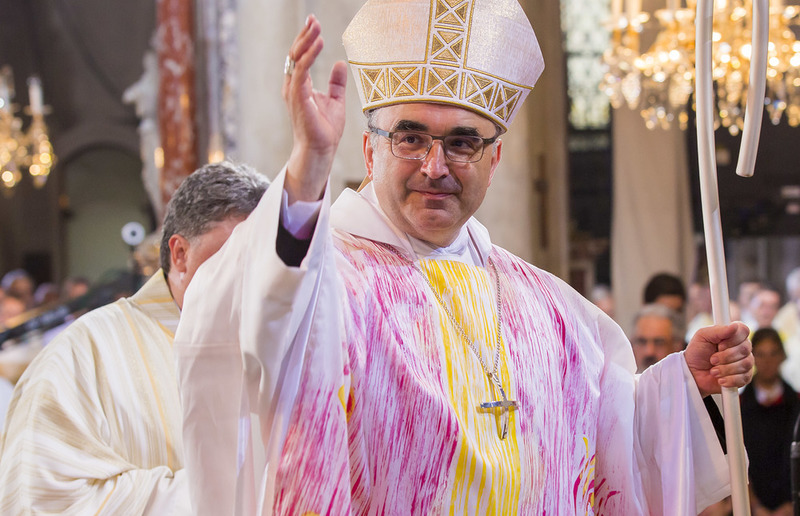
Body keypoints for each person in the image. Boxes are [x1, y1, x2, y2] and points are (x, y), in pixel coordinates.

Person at [175, 2, 754, 514]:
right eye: (409, 137)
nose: (436, 166)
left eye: (462, 141)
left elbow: (611, 438)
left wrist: (683, 382)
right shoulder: (325, 281)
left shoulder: (547, 305)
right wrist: (309, 166)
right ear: (368, 150)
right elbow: (250, 330)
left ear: (495, 157)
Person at [0, 162, 269, 515]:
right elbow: (37, 499)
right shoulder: (84, 354)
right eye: (235, 257)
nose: (254, 277)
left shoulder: (273, 347)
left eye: (266, 260)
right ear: (180, 255)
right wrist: (231, 493)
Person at [741, 328, 798, 516]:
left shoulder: (796, 404)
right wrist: (755, 506)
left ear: (782, 356)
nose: (767, 361)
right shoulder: (739, 407)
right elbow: (734, 459)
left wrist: (792, 504)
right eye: (761, 354)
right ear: (752, 357)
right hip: (750, 506)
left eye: (773, 354)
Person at [630, 303, 686, 373]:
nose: (649, 352)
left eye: (659, 343)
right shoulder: (619, 382)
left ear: (677, 347)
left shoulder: (689, 383)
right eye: (642, 342)